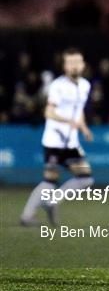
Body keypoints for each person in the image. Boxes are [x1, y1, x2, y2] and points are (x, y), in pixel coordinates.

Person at [20, 48, 94, 227]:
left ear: (83, 65)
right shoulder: (57, 86)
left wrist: (83, 127)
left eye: (77, 62)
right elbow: (49, 112)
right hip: (54, 141)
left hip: (71, 142)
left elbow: (79, 110)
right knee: (49, 181)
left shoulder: (85, 85)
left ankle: (52, 202)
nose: (74, 66)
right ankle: (27, 216)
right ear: (65, 66)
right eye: (70, 62)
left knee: (85, 178)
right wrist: (68, 120)